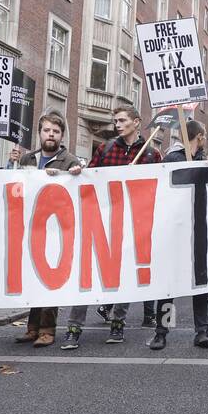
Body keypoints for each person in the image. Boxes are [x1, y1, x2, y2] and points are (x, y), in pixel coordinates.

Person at [62, 105, 161, 350]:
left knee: (124, 273)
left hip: (132, 223)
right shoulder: (105, 149)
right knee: (88, 272)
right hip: (102, 221)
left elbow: (162, 185)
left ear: (136, 122)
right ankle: (74, 327)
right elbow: (89, 178)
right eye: (115, 120)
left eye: (122, 120)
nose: (117, 124)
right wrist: (79, 172)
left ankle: (118, 322)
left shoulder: (151, 155)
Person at [16, 113, 83, 348]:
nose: (51, 135)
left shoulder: (69, 160)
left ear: (61, 135)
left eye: (55, 131)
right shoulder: (28, 158)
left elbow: (78, 185)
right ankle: (32, 327)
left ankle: (47, 329)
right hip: (31, 225)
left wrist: (74, 173)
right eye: (46, 130)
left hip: (56, 229)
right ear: (40, 133)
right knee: (33, 278)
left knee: (50, 280)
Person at [149, 120, 208, 351]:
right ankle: (162, 331)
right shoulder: (173, 159)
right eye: (203, 137)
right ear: (199, 136)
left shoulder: (201, 159)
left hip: (197, 228)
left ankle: (202, 330)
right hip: (175, 229)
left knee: (200, 281)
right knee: (170, 284)